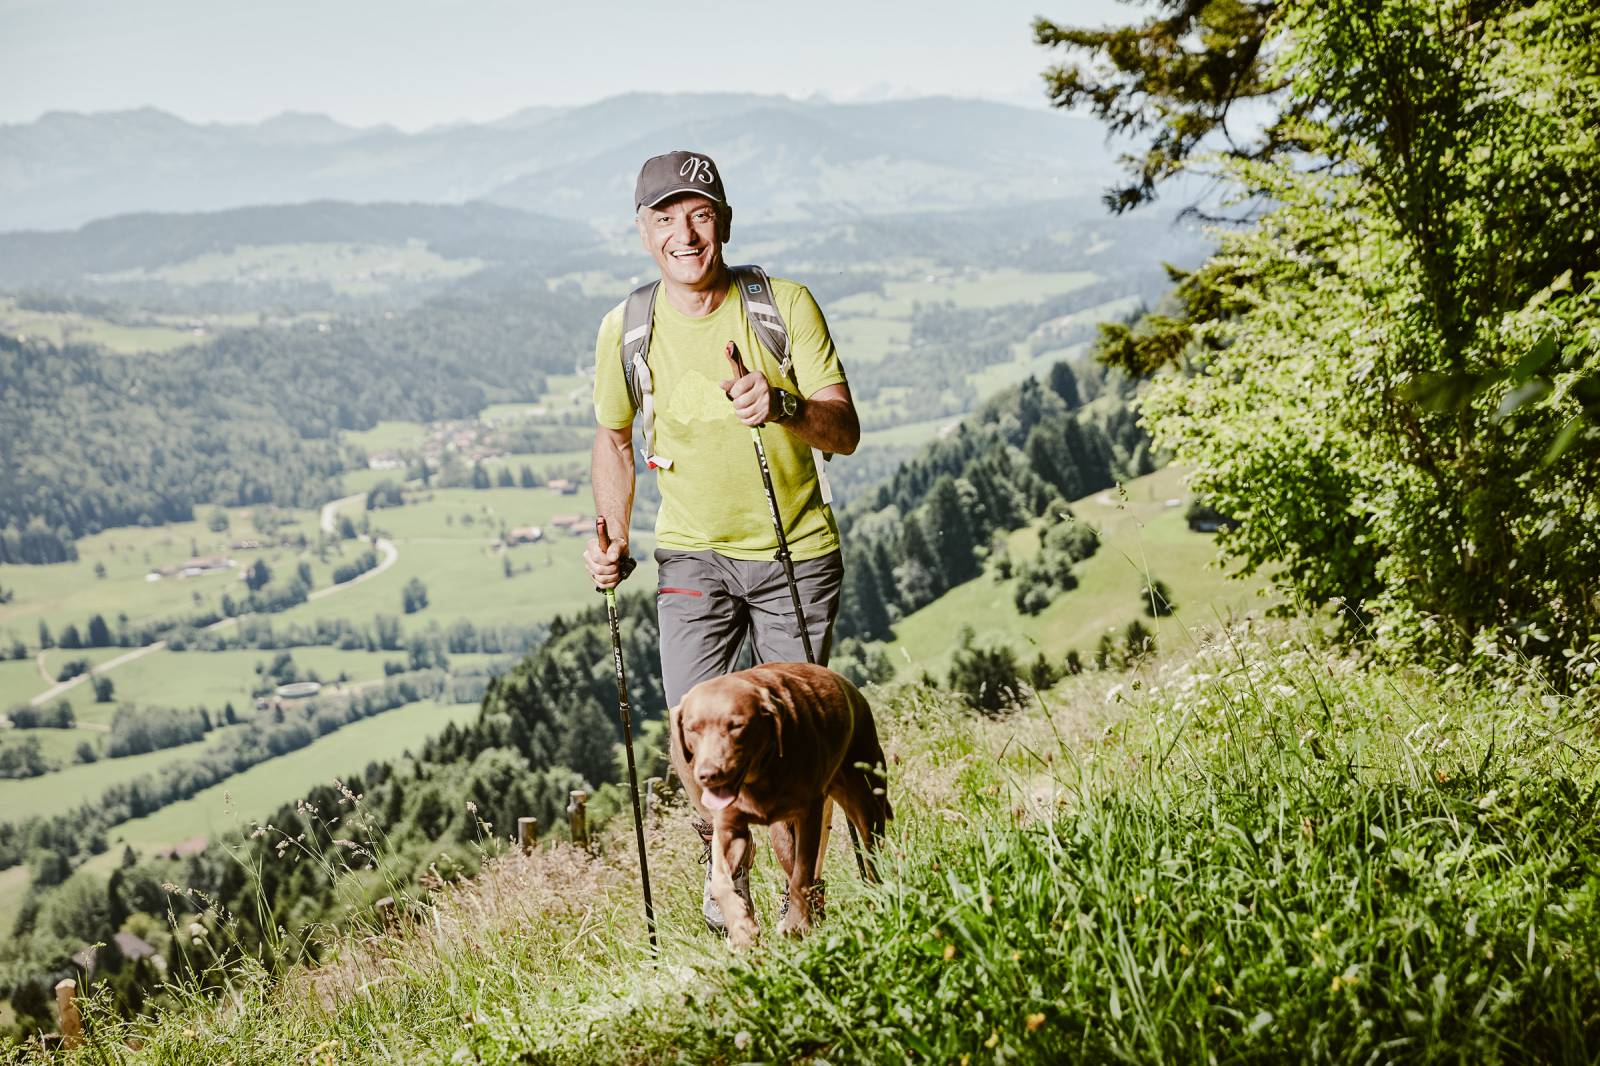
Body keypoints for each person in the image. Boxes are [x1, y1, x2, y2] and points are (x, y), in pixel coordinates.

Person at [583, 150, 860, 932]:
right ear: (644, 232)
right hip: (691, 557)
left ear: (725, 222)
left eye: (699, 214)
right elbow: (612, 437)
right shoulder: (628, 327)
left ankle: (802, 902)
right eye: (666, 218)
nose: (685, 234)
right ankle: (726, 899)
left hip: (792, 553)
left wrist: (780, 403)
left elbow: (843, 431)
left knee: (797, 739)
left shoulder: (784, 306)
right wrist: (611, 537)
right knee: (696, 732)